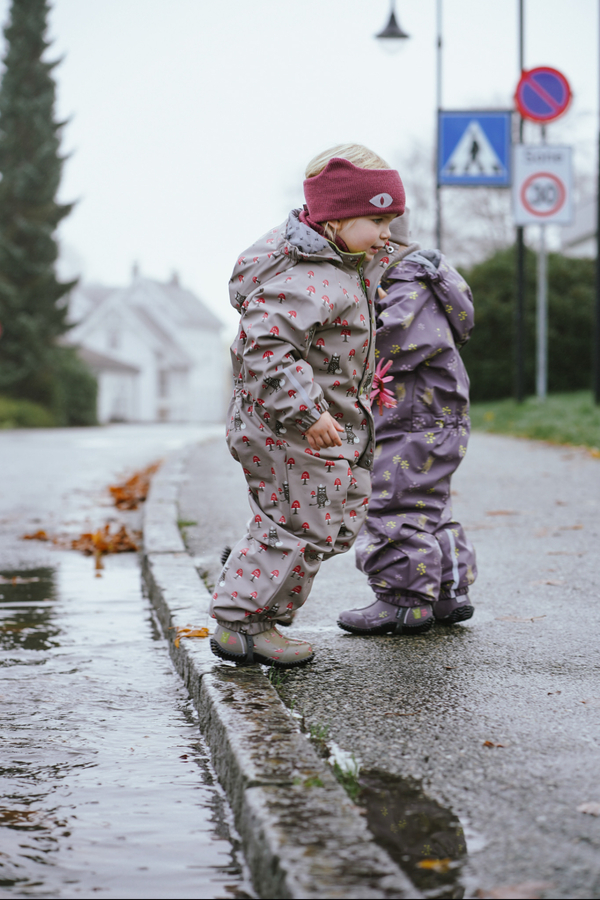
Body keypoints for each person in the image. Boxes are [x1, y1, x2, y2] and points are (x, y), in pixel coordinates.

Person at [209, 144, 406, 668]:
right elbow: (266, 344)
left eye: (391, 220)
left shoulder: (345, 266)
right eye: (377, 219)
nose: (387, 232)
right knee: (300, 527)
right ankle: (244, 624)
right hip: (289, 428)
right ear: (337, 220)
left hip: (324, 426)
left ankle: (250, 575)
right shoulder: (307, 275)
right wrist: (306, 409)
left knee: (337, 517)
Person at [338, 217, 477, 636]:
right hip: (437, 415)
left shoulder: (404, 281)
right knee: (427, 503)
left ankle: (402, 600)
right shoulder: (431, 278)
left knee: (391, 502)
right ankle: (448, 592)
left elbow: (389, 344)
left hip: (411, 417)